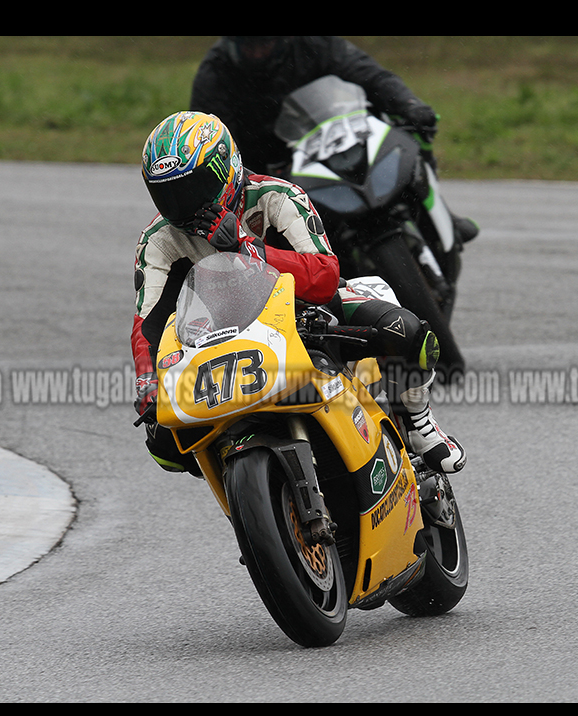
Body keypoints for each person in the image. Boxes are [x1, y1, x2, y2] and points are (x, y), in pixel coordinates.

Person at [132, 111, 465, 477]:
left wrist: (249, 247)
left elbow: (324, 276)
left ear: (228, 167)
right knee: (164, 443)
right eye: (169, 194)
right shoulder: (158, 240)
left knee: (408, 333)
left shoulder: (277, 195)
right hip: (220, 341)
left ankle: (419, 423)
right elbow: (147, 325)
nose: (185, 205)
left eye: (195, 188)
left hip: (310, 315)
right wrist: (147, 380)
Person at [189, 36, 478, 244]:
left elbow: (367, 73)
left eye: (265, 42)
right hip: (268, 168)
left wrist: (408, 104)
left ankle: (443, 217)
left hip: (334, 140)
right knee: (269, 238)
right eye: (249, 45)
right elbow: (211, 138)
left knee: (410, 133)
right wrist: (245, 178)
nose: (258, 51)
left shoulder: (313, 43)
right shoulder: (214, 73)